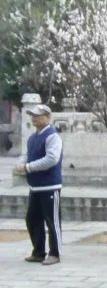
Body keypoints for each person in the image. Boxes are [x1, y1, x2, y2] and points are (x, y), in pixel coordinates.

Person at [14, 104, 63, 265]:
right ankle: (39, 252)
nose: (34, 118)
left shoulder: (52, 136)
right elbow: (26, 155)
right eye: (33, 115)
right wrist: (20, 164)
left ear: (48, 117)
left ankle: (55, 253)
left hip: (50, 186)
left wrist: (28, 167)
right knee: (32, 220)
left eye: (38, 115)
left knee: (52, 222)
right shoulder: (32, 138)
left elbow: (51, 159)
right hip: (35, 187)